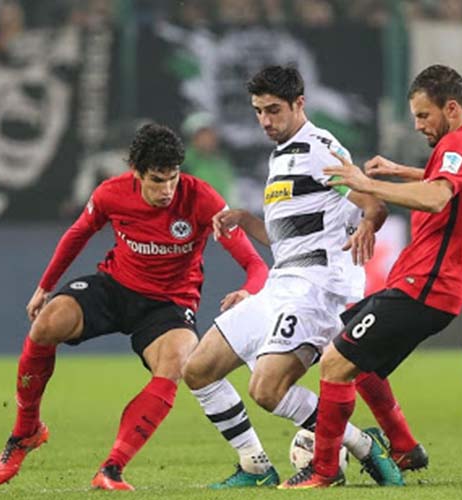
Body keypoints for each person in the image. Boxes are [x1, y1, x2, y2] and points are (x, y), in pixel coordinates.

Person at [0, 123, 269, 490]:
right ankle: (26, 430)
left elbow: (256, 265)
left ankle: (111, 469)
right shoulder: (112, 193)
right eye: (157, 180)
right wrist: (44, 287)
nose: (167, 190)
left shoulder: (202, 200)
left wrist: (249, 291)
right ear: (136, 173)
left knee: (176, 364)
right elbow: (77, 235)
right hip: (115, 287)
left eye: (173, 178)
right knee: (46, 323)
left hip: (169, 305)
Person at [181, 65, 406, 489]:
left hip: (317, 288)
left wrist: (367, 224)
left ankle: (360, 446)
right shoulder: (281, 154)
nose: (265, 121)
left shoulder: (320, 148)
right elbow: (287, 239)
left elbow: (373, 204)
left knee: (266, 390)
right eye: (258, 111)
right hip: (283, 283)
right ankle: (256, 466)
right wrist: (247, 220)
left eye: (274, 110)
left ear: (299, 104)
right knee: (198, 368)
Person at [280, 64, 462, 488]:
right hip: (424, 286)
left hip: (426, 287)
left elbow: (437, 198)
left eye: (423, 116)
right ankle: (403, 446)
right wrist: (402, 171)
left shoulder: (461, 143)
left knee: (336, 362)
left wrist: (367, 184)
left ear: (451, 108)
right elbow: (453, 183)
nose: (417, 125)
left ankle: (324, 471)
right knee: (355, 358)